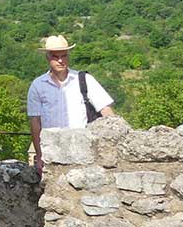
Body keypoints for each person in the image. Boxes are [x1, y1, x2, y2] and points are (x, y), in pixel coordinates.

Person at [27, 35, 116, 173]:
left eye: (64, 56)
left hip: (83, 149)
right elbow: (35, 122)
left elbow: (107, 112)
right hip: (52, 151)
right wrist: (39, 155)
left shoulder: (85, 80)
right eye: (55, 57)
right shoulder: (38, 86)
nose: (61, 60)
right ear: (48, 58)